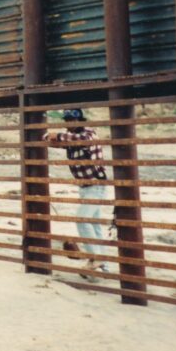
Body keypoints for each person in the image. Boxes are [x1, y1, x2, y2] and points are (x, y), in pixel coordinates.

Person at [43, 108, 112, 277]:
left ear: (80, 120)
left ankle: (94, 258)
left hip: (96, 185)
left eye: (72, 121)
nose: (69, 124)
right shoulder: (70, 137)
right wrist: (51, 136)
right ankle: (103, 266)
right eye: (67, 121)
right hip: (86, 188)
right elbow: (48, 139)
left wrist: (57, 136)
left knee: (81, 220)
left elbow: (82, 139)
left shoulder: (89, 134)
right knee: (94, 226)